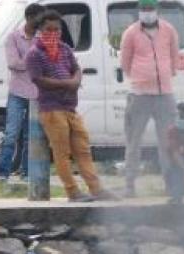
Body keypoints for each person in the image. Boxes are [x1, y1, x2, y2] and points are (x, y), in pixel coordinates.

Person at [26, 10, 109, 203]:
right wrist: (67, 84)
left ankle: (96, 189)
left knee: (83, 149)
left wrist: (75, 80)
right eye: (49, 29)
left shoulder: (64, 48)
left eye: (57, 29)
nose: (53, 33)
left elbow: (76, 68)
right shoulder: (34, 54)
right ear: (40, 30)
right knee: (62, 153)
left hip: (70, 107)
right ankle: (73, 192)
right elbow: (38, 80)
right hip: (51, 109)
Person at [118, 0, 179, 197]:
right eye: (143, 9)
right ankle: (129, 185)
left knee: (168, 142)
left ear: (157, 10)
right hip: (139, 95)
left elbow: (174, 56)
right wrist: (140, 78)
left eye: (150, 9)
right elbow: (125, 62)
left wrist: (167, 74)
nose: (147, 13)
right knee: (134, 141)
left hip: (165, 95)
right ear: (139, 11)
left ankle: (170, 183)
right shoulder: (131, 33)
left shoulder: (169, 30)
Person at [0, 3, 44, 185]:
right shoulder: (13, 37)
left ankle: (26, 173)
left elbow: (46, 63)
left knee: (30, 136)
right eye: (38, 18)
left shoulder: (43, 37)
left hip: (36, 93)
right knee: (11, 134)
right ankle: (3, 174)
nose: (41, 22)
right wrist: (34, 60)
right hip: (17, 92)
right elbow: (13, 63)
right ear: (29, 18)